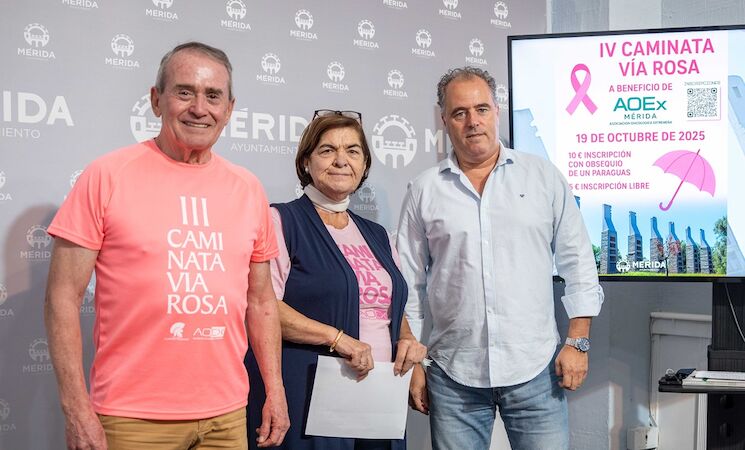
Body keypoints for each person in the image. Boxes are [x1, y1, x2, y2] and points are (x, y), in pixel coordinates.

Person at [44, 42, 289, 450]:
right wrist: (75, 408)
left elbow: (261, 301)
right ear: (156, 100)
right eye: (184, 92)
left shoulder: (248, 188)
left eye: (213, 96)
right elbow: (62, 298)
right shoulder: (107, 175)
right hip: (130, 418)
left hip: (227, 417)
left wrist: (275, 390)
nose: (199, 108)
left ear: (229, 109)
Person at [396, 67, 604, 450]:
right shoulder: (424, 190)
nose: (472, 122)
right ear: (444, 120)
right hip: (453, 376)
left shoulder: (542, 178)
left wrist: (578, 341)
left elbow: (578, 263)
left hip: (536, 371)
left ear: (497, 110)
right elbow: (407, 282)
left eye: (481, 109)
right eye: (460, 113)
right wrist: (412, 361)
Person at [245, 110, 426, 450]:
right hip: (310, 394)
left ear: (364, 164)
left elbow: (389, 305)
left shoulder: (378, 234)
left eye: (352, 151)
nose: (341, 160)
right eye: (327, 150)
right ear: (306, 162)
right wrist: (338, 339)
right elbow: (264, 305)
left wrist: (408, 341)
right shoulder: (281, 220)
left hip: (380, 396)